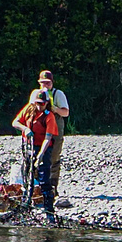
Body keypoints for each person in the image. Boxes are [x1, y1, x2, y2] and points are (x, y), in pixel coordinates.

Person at [11, 88, 60, 219]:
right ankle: (26, 204)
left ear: (46, 103)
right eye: (37, 103)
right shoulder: (29, 109)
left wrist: (40, 155)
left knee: (44, 179)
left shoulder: (49, 116)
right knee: (27, 176)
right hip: (28, 146)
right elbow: (15, 122)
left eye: (42, 104)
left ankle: (49, 211)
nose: (39, 106)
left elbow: (48, 138)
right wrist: (25, 128)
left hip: (43, 147)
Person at [35, 69, 70, 201]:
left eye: (48, 83)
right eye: (43, 83)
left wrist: (53, 108)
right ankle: (38, 187)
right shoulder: (35, 94)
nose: (45, 85)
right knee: (37, 155)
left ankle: (53, 186)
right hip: (40, 126)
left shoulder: (58, 94)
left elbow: (66, 113)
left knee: (54, 156)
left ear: (52, 83)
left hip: (56, 125)